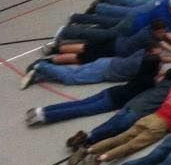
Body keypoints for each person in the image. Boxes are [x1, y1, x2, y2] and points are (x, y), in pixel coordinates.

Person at [80, 68, 171, 165]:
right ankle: (100, 159)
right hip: (162, 124)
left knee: (120, 138)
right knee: (131, 145)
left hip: (151, 117)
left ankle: (89, 150)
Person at [64, 68, 171, 165]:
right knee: (117, 134)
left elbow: (161, 76)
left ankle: (87, 136)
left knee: (110, 124)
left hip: (131, 104)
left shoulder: (158, 82)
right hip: (139, 112)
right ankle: (88, 142)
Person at [24, 53, 160, 127]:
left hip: (112, 91)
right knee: (81, 110)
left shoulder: (142, 72)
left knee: (79, 104)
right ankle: (45, 116)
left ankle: (42, 110)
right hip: (113, 101)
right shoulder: (149, 81)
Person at [40, 19, 171, 68]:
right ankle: (48, 61)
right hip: (115, 50)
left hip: (116, 41)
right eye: (162, 32)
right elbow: (159, 54)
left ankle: (55, 48)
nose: (164, 34)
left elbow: (162, 43)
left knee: (85, 47)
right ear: (157, 31)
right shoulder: (149, 39)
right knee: (82, 57)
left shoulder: (149, 31)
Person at [21, 43, 163, 90]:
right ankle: (42, 66)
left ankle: (37, 75)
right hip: (105, 70)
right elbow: (146, 77)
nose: (159, 55)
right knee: (72, 78)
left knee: (74, 71)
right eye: (157, 53)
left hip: (106, 62)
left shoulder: (142, 52)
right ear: (150, 52)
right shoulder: (140, 62)